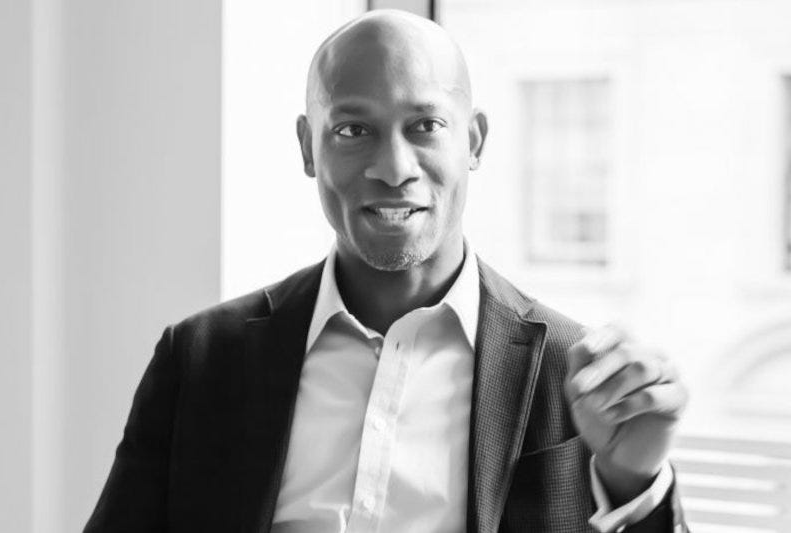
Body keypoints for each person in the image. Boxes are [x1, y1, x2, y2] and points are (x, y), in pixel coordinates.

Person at [85, 9, 688, 533]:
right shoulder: (200, 359)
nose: (394, 168)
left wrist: (635, 485)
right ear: (308, 147)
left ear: (474, 141)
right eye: (353, 130)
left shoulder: (574, 374)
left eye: (426, 126)